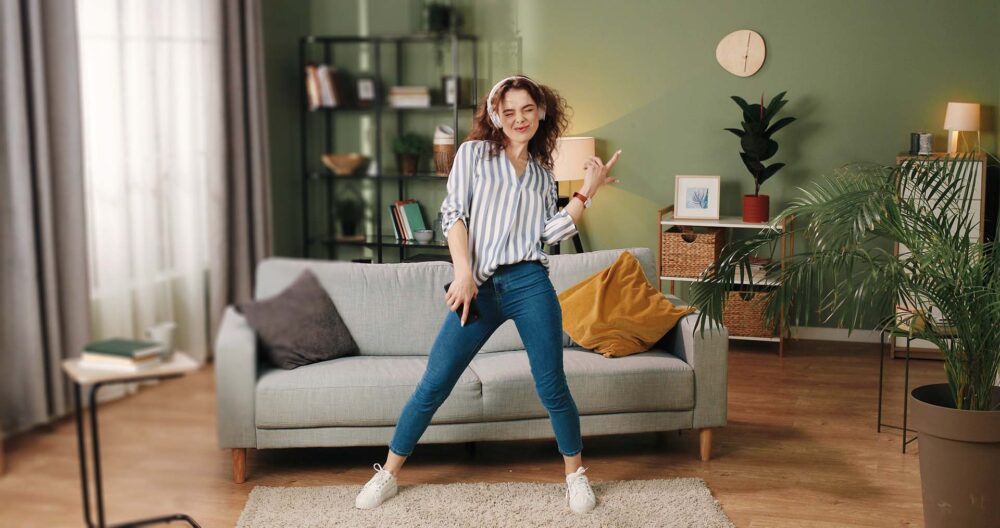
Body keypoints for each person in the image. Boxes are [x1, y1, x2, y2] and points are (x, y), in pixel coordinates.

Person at [355, 75, 622, 514]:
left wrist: (585, 193)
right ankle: (387, 473)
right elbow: (454, 213)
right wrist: (463, 274)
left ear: (541, 112)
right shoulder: (474, 154)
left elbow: (547, 234)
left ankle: (575, 476)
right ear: (496, 115)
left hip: (529, 283)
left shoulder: (540, 176)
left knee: (552, 385)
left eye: (527, 110)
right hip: (477, 285)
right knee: (434, 384)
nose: (519, 119)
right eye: (509, 111)